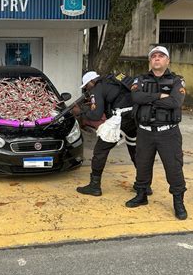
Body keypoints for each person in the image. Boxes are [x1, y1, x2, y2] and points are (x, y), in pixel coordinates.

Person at [125, 46, 187, 220]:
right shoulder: (140, 79)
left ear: (167, 61)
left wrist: (148, 99)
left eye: (161, 56)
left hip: (168, 133)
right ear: (150, 61)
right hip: (145, 132)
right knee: (142, 166)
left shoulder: (177, 80)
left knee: (173, 168)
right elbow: (136, 98)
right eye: (154, 56)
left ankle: (178, 202)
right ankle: (141, 195)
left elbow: (175, 102)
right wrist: (160, 96)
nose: (157, 59)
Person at [74, 71, 151, 196]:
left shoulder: (96, 88)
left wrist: (81, 111)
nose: (87, 90)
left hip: (121, 119)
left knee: (100, 150)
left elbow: (96, 115)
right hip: (135, 117)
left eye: (86, 86)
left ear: (91, 82)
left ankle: (94, 186)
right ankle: (145, 186)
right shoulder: (116, 77)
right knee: (135, 151)